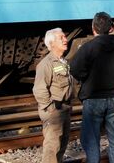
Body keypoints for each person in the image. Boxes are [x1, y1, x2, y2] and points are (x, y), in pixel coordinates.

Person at [70, 12, 114, 163]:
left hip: (93, 98)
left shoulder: (88, 47)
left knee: (91, 139)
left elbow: (75, 70)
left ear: (93, 28)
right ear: (111, 28)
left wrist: (85, 77)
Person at [33, 28, 75, 163]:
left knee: (61, 146)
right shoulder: (46, 64)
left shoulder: (63, 61)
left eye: (64, 36)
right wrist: (51, 109)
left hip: (64, 109)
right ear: (51, 44)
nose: (65, 39)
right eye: (61, 38)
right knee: (52, 148)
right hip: (55, 111)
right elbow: (39, 89)